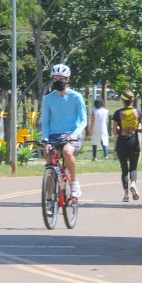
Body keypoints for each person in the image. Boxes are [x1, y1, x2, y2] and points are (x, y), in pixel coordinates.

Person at [39, 63, 87, 198]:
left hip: (71, 135)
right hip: (54, 136)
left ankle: (74, 181)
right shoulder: (48, 99)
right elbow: (45, 122)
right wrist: (46, 140)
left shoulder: (76, 97)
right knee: (50, 156)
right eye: (55, 79)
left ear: (67, 80)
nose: (58, 81)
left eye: (61, 79)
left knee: (67, 151)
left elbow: (84, 120)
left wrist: (75, 134)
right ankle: (49, 197)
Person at [110, 90, 142, 201]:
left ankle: (126, 195)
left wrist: (119, 129)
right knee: (133, 168)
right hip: (134, 142)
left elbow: (114, 132)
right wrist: (137, 129)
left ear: (122, 100)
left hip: (122, 143)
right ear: (132, 100)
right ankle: (133, 184)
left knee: (124, 169)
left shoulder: (118, 113)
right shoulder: (138, 113)